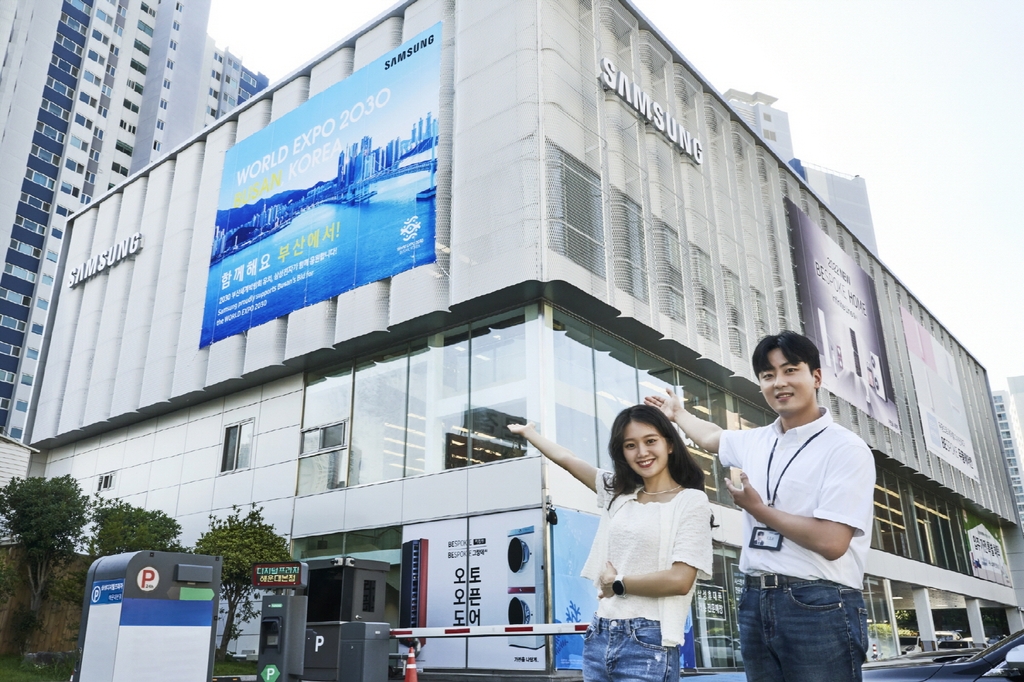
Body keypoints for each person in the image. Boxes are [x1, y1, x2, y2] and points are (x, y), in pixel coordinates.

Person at [645, 331, 875, 682]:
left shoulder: (846, 448)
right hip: (755, 597)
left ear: (815, 377)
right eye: (768, 376)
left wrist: (759, 510)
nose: (778, 383)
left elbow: (832, 542)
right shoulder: (756, 439)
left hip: (820, 603)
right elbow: (710, 436)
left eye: (789, 370)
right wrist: (678, 414)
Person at [508, 404, 713, 682]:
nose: (642, 452)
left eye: (650, 441)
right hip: (601, 633)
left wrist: (617, 583)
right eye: (630, 445)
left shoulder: (690, 501)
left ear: (670, 444)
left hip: (650, 639)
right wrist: (530, 434)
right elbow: (568, 459)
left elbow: (680, 580)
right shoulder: (617, 491)